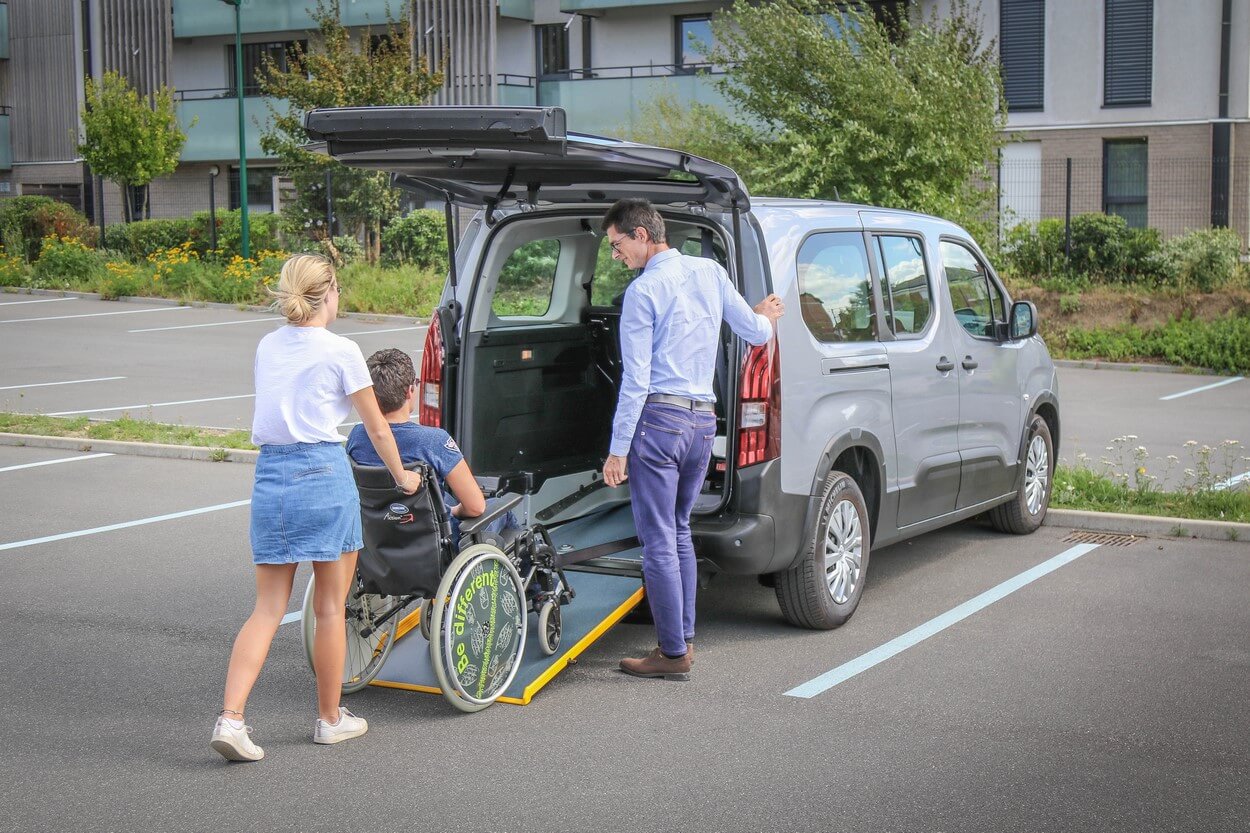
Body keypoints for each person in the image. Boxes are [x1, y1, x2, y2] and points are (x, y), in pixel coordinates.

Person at [212, 254, 420, 763]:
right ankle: (330, 719)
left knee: (267, 608)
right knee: (330, 607)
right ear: (329, 293)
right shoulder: (342, 350)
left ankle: (231, 719)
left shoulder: (267, 345)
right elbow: (375, 427)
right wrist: (402, 476)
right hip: (323, 477)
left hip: (271, 476)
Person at [602, 198, 785, 681]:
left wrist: (618, 449)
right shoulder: (710, 271)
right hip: (704, 422)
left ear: (642, 236)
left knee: (658, 535)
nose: (616, 257)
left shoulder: (643, 293)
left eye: (617, 246)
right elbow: (756, 332)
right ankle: (683, 639)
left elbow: (636, 380)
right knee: (680, 527)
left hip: (659, 423)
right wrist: (768, 314)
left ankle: (671, 651)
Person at [345, 348, 518, 539]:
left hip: (379, 540)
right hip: (436, 543)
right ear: (410, 390)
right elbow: (475, 507)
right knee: (504, 511)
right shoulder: (434, 441)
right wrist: (453, 511)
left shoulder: (357, 436)